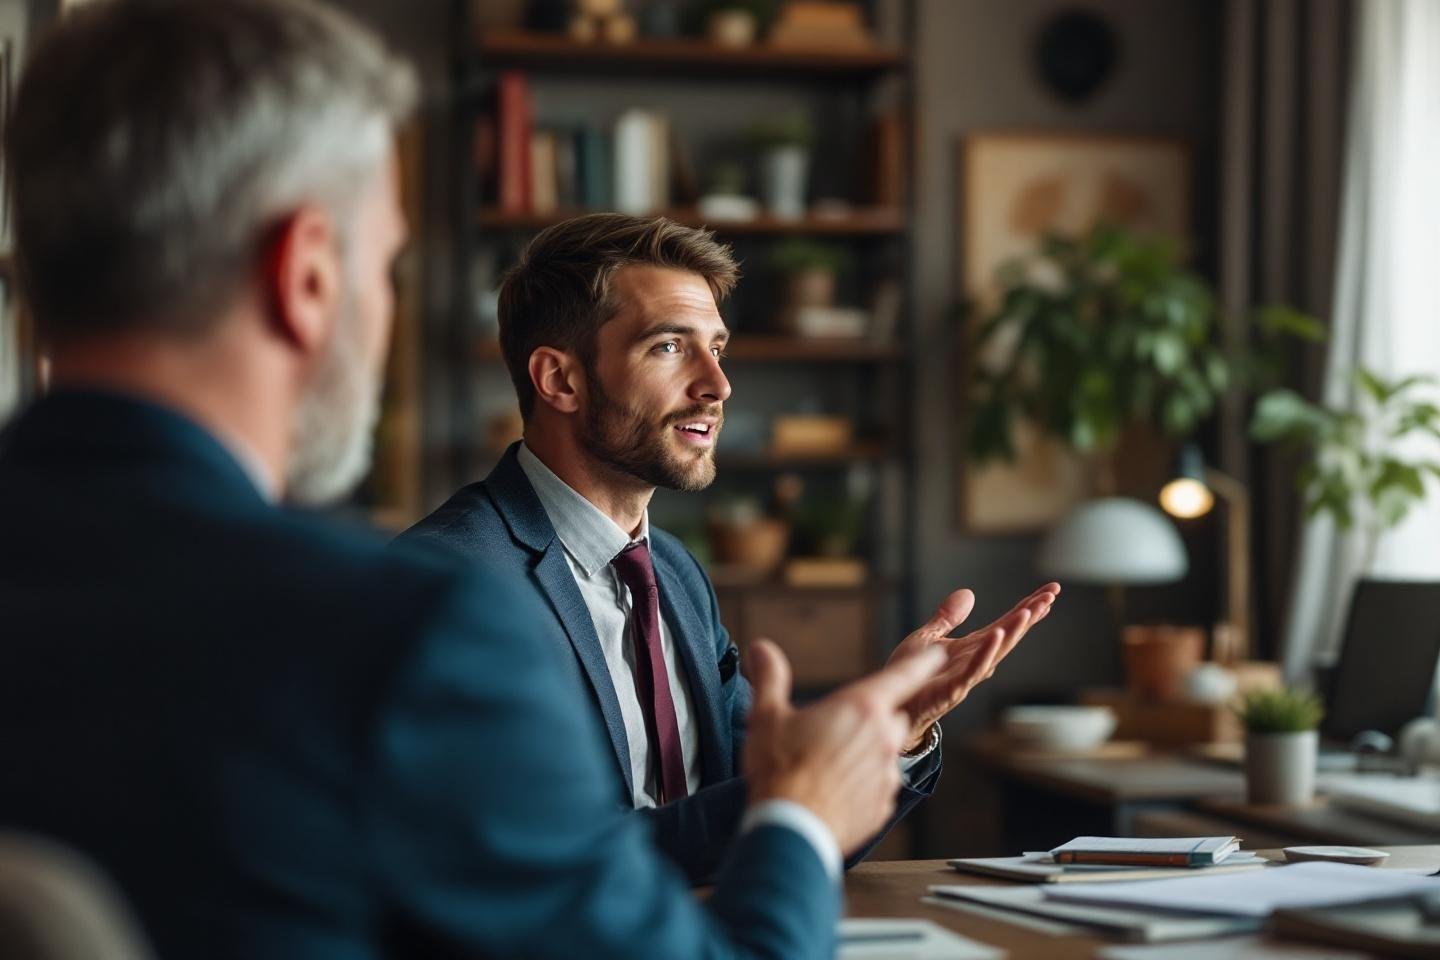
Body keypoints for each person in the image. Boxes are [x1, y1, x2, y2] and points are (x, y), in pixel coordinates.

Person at [0, 2, 958, 957]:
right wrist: (792, 822)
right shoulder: (406, 630)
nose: (718, 385)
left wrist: (870, 745)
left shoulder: (660, 577)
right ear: (308, 278)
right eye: (389, 265)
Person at [400, 213, 1061, 880]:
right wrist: (810, 787)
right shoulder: (446, 584)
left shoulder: (676, 574)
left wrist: (896, 730)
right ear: (560, 380)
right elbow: (543, 867)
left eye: (716, 348)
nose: (717, 387)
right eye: (668, 347)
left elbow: (771, 823)